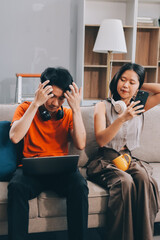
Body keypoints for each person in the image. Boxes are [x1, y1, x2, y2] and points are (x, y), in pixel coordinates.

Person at [8, 67, 89, 240]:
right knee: (16, 187)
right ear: (42, 90)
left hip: (61, 171)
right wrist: (35, 104)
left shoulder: (67, 114)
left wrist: (76, 109)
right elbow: (15, 137)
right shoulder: (24, 109)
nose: (55, 103)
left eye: (61, 98)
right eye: (52, 96)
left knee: (80, 186)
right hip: (30, 171)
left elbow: (81, 144)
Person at [87, 63, 160, 240]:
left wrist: (139, 83)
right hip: (105, 160)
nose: (125, 85)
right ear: (116, 80)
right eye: (122, 79)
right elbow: (101, 140)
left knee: (144, 179)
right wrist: (122, 119)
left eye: (131, 82)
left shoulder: (140, 106)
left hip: (128, 159)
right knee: (125, 182)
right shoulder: (102, 106)